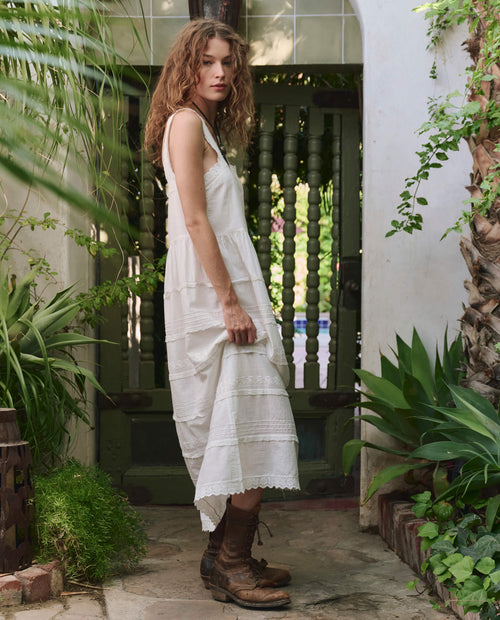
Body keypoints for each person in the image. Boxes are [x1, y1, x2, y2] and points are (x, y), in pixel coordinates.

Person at [144, 19, 299, 609]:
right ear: (186, 67)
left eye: (228, 63)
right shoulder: (186, 123)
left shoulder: (199, 125)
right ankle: (231, 566)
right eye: (207, 61)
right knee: (248, 425)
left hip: (219, 290)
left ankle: (222, 560)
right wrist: (230, 301)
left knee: (236, 426)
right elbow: (193, 220)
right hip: (214, 299)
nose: (219, 72)